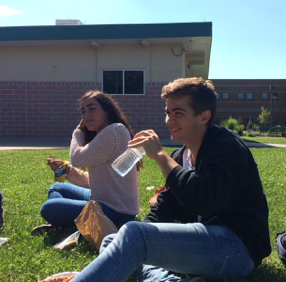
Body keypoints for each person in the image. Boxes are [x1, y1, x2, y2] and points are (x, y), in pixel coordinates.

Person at [70, 77, 271, 282]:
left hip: (238, 251)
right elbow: (164, 208)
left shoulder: (227, 147)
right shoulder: (179, 156)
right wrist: (139, 239)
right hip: (204, 247)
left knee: (132, 236)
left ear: (204, 117)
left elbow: (203, 201)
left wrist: (159, 156)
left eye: (178, 113)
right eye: (168, 112)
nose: (169, 120)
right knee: (114, 240)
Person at [31, 91, 142, 234]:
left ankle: (61, 221)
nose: (85, 115)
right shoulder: (106, 133)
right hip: (102, 201)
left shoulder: (114, 131)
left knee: (48, 208)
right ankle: (61, 223)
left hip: (117, 213)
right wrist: (67, 171)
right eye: (83, 111)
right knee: (57, 187)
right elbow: (99, 180)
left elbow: (77, 158)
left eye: (92, 108)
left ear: (106, 111)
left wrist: (77, 132)